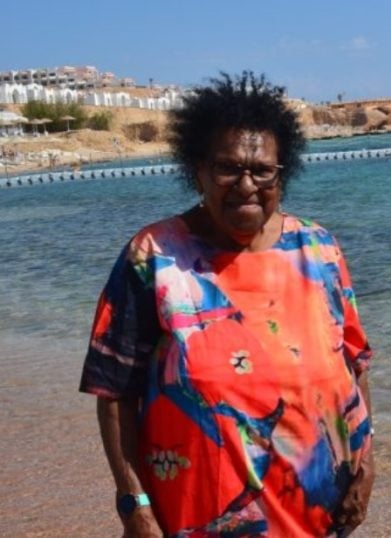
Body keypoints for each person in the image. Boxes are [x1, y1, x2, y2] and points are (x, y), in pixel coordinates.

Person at [79, 72, 375, 537]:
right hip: (204, 518)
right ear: (198, 170)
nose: (246, 184)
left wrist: (367, 463)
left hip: (320, 514)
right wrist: (133, 502)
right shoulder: (154, 255)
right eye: (227, 168)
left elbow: (353, 364)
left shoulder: (319, 250)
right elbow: (114, 391)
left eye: (262, 170)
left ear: (283, 173)